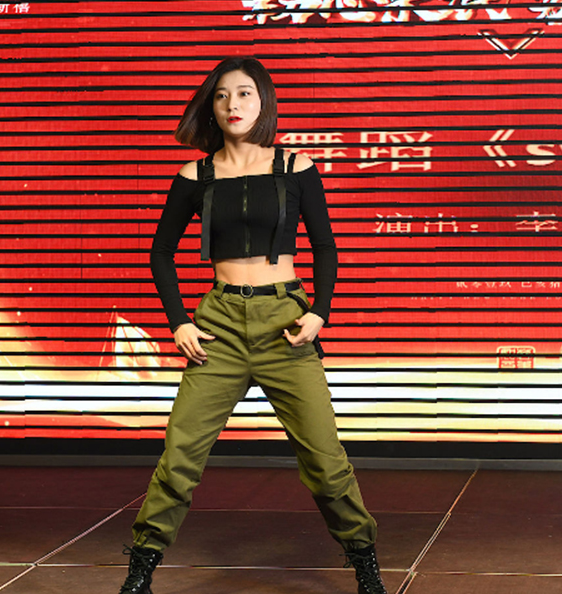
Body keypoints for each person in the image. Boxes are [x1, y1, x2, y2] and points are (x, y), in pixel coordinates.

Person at [118, 57, 387, 594]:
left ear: (263, 101)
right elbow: (160, 253)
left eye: (244, 93)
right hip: (219, 322)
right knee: (180, 454)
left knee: (324, 459)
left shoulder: (296, 167)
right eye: (222, 95)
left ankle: (365, 564)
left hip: (284, 320)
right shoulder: (194, 176)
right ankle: (141, 569)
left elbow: (325, 245)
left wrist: (319, 312)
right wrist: (179, 322)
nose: (232, 105)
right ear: (211, 107)